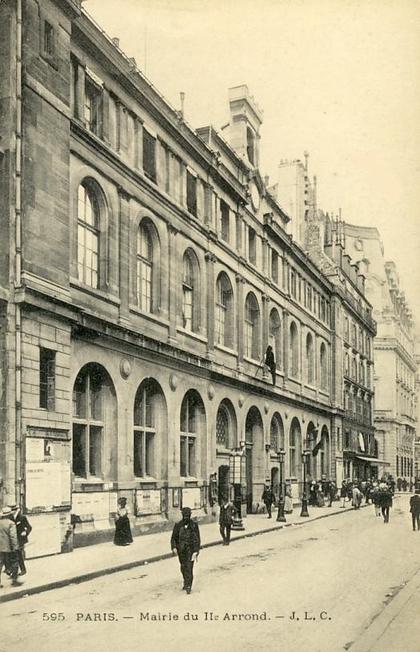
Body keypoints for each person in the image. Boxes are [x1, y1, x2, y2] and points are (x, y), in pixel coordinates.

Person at [171, 507, 200, 594]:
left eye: (188, 515)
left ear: (190, 515)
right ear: (182, 515)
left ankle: (188, 586)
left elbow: (197, 539)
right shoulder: (178, 525)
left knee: (189, 568)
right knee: (183, 567)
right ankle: (185, 581)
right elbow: (173, 538)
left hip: (191, 550)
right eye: (185, 515)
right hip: (181, 550)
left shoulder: (194, 525)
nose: (186, 517)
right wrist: (174, 547)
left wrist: (196, 551)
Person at [0, 506, 20, 587]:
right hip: (8, 548)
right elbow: (13, 537)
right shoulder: (11, 523)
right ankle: (14, 581)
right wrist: (15, 547)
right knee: (15, 562)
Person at [9, 504, 32, 576]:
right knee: (13, 554)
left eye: (14, 510)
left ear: (17, 510)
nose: (12, 512)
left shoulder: (22, 517)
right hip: (12, 539)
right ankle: (13, 570)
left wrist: (25, 532)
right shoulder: (10, 518)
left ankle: (23, 570)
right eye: (11, 510)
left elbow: (29, 527)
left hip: (20, 539)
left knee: (19, 554)